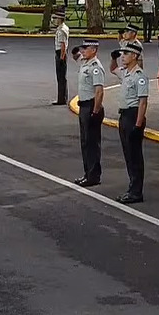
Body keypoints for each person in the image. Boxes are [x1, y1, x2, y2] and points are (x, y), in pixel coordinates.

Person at [114, 41, 148, 204]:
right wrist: (113, 59)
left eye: (125, 54)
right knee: (128, 154)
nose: (122, 57)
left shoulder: (139, 76)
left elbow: (143, 102)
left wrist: (138, 124)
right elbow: (113, 69)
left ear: (134, 56)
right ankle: (132, 188)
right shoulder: (126, 73)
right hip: (124, 116)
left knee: (135, 156)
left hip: (133, 116)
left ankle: (136, 191)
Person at [74, 39, 105, 187]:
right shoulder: (85, 63)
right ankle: (87, 173)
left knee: (92, 143)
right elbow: (75, 55)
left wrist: (95, 111)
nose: (83, 51)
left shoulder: (95, 67)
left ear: (94, 50)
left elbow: (99, 91)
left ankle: (93, 176)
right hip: (84, 106)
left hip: (91, 106)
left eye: (85, 48)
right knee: (85, 142)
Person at [52, 10, 70, 105]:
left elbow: (63, 45)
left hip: (60, 53)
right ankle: (63, 98)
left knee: (61, 77)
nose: (55, 20)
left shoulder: (61, 30)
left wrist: (62, 57)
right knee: (63, 77)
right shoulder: (64, 28)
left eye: (56, 18)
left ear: (60, 19)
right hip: (62, 52)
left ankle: (61, 99)